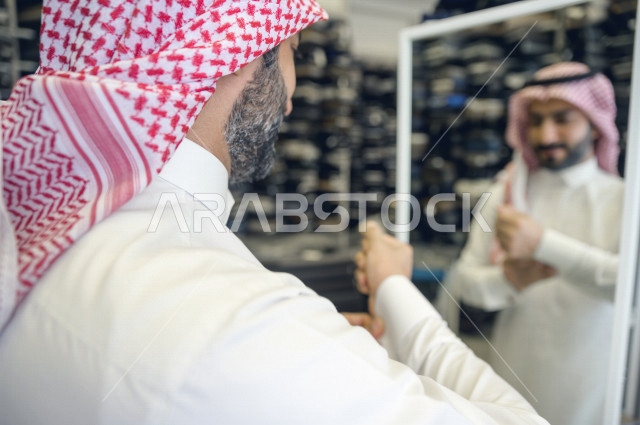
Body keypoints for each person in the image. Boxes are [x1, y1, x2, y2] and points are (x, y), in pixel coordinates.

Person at [0, 1, 548, 424]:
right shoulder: (242, 323)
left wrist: (319, 346)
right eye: (291, 51)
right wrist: (394, 290)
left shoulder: (29, 226)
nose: (292, 91)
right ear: (237, 53)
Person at [440, 62, 623, 425]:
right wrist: (508, 280)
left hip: (589, 393)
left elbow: (628, 288)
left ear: (594, 121)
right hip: (508, 386)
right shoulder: (505, 195)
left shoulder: (623, 201)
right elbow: (462, 282)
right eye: (536, 121)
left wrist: (543, 244)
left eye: (562, 118)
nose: (546, 134)